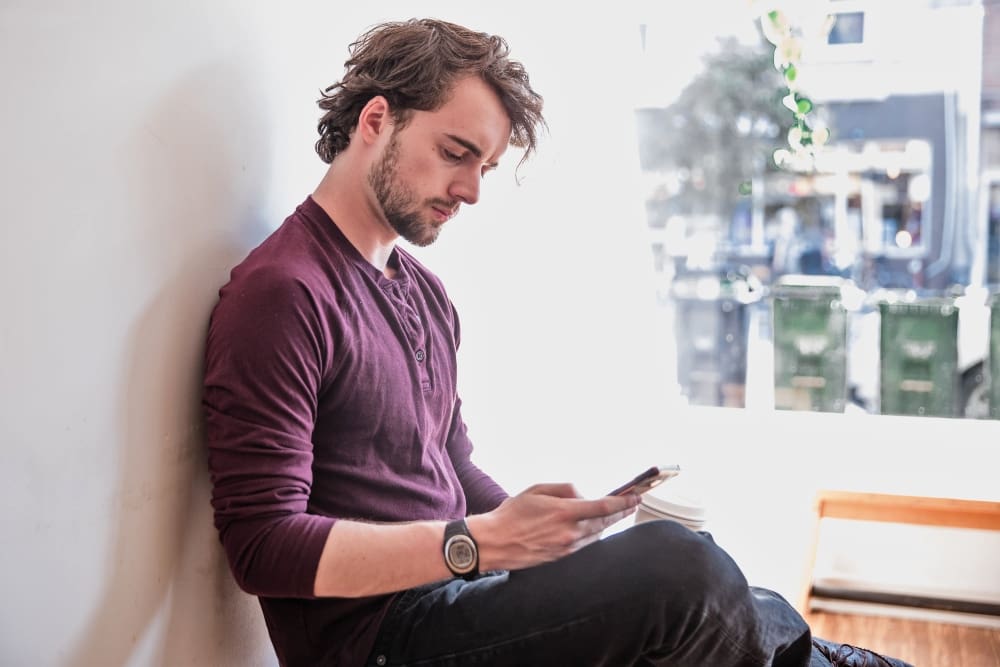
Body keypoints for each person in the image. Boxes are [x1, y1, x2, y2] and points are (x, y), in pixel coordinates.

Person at [202, 18, 913, 667]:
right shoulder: (283, 293)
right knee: (679, 570)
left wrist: (548, 535)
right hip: (380, 640)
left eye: (484, 167)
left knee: (698, 568)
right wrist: (479, 543)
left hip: (453, 595)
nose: (471, 191)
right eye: (455, 154)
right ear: (376, 120)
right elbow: (262, 546)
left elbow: (449, 466)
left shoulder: (423, 293)